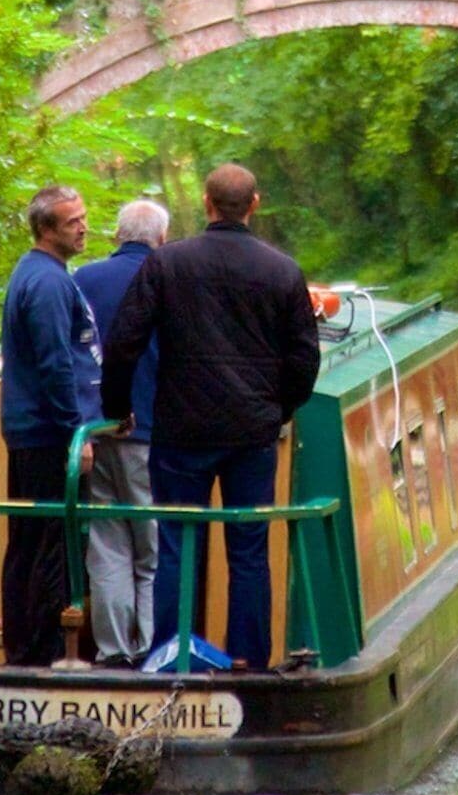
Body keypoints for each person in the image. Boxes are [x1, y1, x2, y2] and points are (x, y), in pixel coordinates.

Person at [101, 163, 320, 672]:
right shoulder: (282, 271)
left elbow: (123, 342)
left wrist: (118, 409)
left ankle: (170, 655)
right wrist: (279, 410)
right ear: (255, 204)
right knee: (248, 548)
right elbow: (305, 358)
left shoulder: (167, 264)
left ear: (206, 203)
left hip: (181, 431)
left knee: (176, 543)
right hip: (251, 434)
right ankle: (246, 659)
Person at [0, 184, 98, 668]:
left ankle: (21, 648)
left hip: (29, 429)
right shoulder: (51, 284)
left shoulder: (33, 273)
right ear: (45, 229)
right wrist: (76, 433)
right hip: (48, 433)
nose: (83, 225)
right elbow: (56, 363)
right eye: (71, 220)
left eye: (83, 216)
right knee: (53, 544)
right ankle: (45, 653)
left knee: (28, 542)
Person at [71, 198, 172, 667]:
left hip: (96, 430)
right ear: (162, 239)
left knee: (107, 544)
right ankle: (150, 651)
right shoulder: (172, 277)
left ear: (117, 235)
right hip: (150, 431)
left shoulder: (83, 280)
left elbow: (73, 355)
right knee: (150, 550)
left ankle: (113, 652)